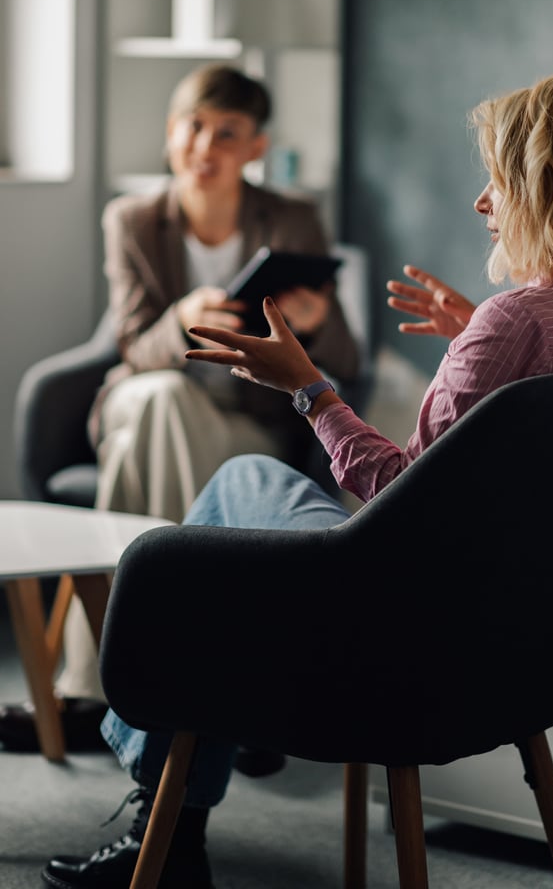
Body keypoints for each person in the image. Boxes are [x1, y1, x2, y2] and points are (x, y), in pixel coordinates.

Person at [41, 71, 553, 889]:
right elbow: (512, 459)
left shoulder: (514, 320)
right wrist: (472, 340)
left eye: (498, 180)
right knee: (225, 551)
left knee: (233, 494)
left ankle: (164, 819)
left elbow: (396, 487)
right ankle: (190, 772)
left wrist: (308, 390)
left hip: (394, 634)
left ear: (546, 188)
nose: (484, 203)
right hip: (512, 650)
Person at [0, 64, 359, 760]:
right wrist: (183, 320)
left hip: (246, 417)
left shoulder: (291, 218)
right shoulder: (134, 220)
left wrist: (311, 324)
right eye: (193, 127)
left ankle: (100, 691)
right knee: (157, 400)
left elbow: (343, 353)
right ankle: (224, 691)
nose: (205, 145)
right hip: (148, 392)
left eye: (227, 133)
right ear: (171, 134)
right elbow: (131, 347)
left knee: (144, 434)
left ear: (255, 147)